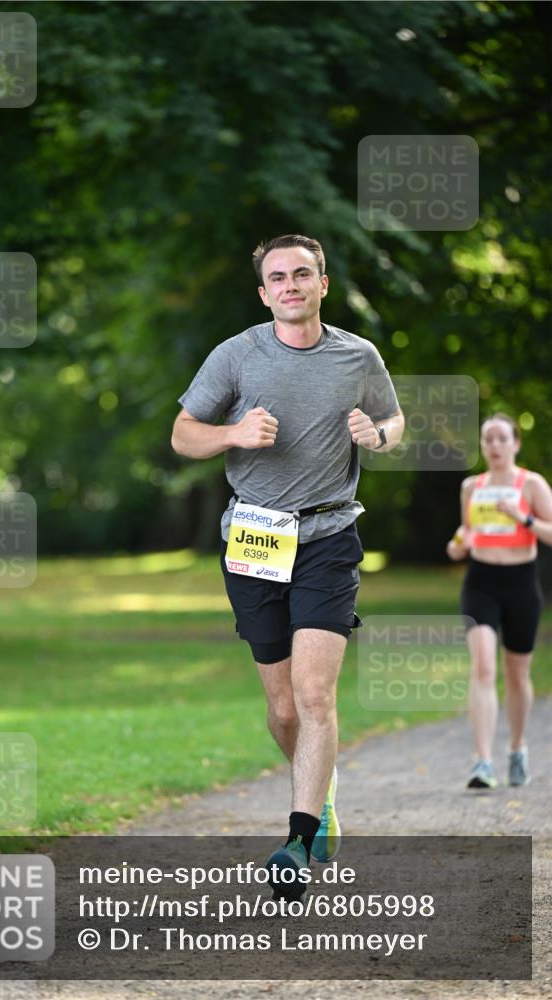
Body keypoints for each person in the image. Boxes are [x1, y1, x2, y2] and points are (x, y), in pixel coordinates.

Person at [171, 234, 404, 900]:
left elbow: (393, 421)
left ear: (322, 284)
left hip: (329, 534)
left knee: (312, 694)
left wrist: (378, 436)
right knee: (281, 710)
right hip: (255, 538)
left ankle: (299, 837)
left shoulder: (357, 355)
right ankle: (321, 788)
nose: (290, 285)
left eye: (302, 274)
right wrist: (233, 434)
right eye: (278, 277)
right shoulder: (237, 355)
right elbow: (184, 433)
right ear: (264, 292)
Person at [446, 413, 552, 789]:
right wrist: (458, 544)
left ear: (515, 444)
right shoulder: (471, 487)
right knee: (484, 668)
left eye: (501, 438)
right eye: (487, 439)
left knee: (518, 674)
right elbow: (466, 534)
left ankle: (518, 748)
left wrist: (522, 518)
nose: (493, 445)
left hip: (521, 584)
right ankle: (483, 762)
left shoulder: (531, 484)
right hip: (481, 583)